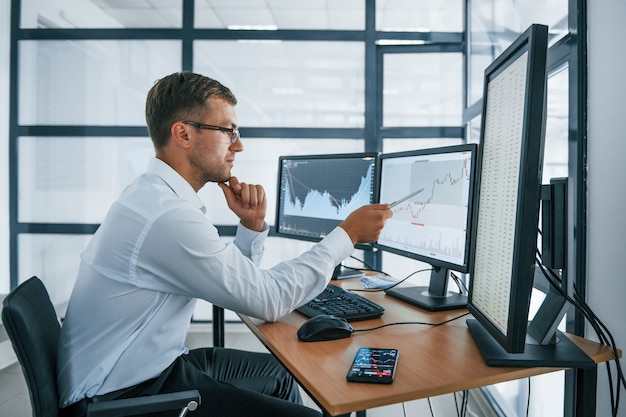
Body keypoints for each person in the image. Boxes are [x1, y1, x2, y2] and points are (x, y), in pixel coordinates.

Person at [56, 71, 392, 417]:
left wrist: (250, 226)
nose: (239, 145)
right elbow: (268, 300)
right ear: (183, 133)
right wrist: (347, 235)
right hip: (121, 398)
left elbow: (235, 283)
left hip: (149, 369)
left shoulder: (156, 198)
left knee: (283, 376)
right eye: (228, 131)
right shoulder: (166, 216)